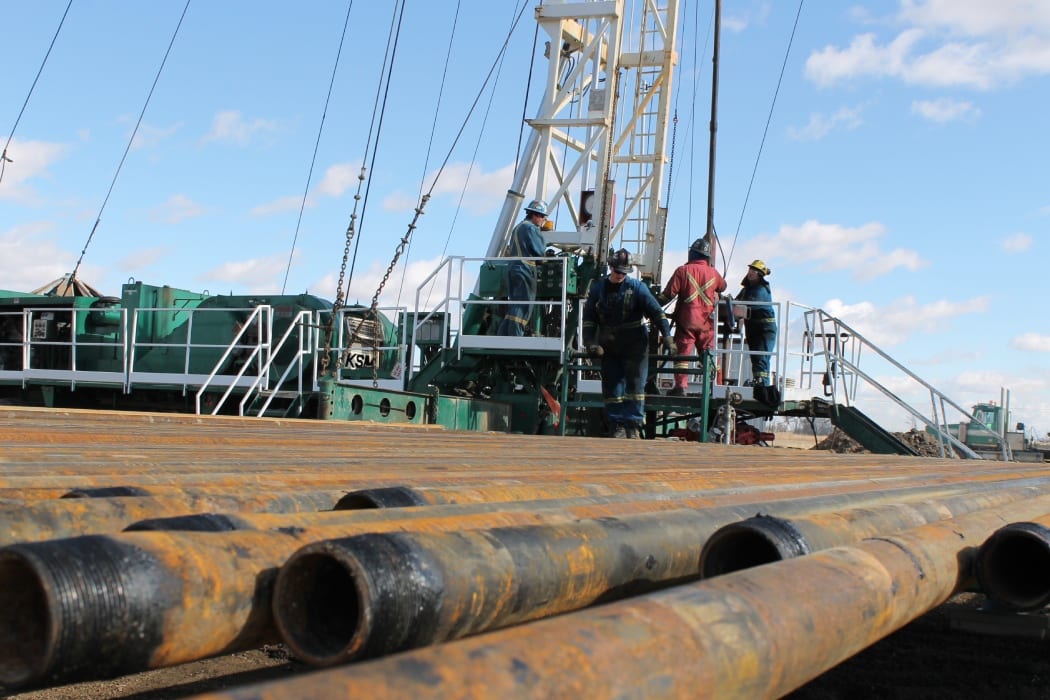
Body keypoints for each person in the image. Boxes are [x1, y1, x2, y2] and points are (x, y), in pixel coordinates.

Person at [582, 248, 674, 439]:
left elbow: (657, 312)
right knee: (612, 385)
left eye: (624, 273)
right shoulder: (599, 289)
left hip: (634, 345)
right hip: (609, 345)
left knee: (636, 385)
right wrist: (590, 342)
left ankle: (632, 426)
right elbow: (589, 318)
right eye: (618, 272)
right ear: (610, 267)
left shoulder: (638, 288)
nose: (620, 276)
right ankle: (617, 425)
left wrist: (667, 336)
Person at [658, 237, 727, 397]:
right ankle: (718, 386)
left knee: (682, 354)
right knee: (708, 354)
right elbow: (723, 286)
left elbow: (668, 294)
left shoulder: (682, 271)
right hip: (706, 322)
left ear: (692, 253)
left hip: (686, 321)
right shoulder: (714, 273)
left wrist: (652, 305)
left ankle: (681, 387)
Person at [496, 199, 548, 336]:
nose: (543, 220)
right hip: (525, 269)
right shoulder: (531, 228)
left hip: (513, 268)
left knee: (514, 304)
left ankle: (503, 335)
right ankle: (516, 336)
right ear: (535, 215)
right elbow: (540, 251)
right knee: (523, 304)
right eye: (543, 216)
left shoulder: (518, 227)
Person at [736, 259, 776, 386]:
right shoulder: (747, 290)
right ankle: (759, 382)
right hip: (753, 328)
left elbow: (745, 306)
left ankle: (763, 385)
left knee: (761, 358)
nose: (750, 273)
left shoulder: (761, 290)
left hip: (765, 330)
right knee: (755, 358)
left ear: (760, 275)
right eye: (750, 270)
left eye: (754, 271)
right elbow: (737, 302)